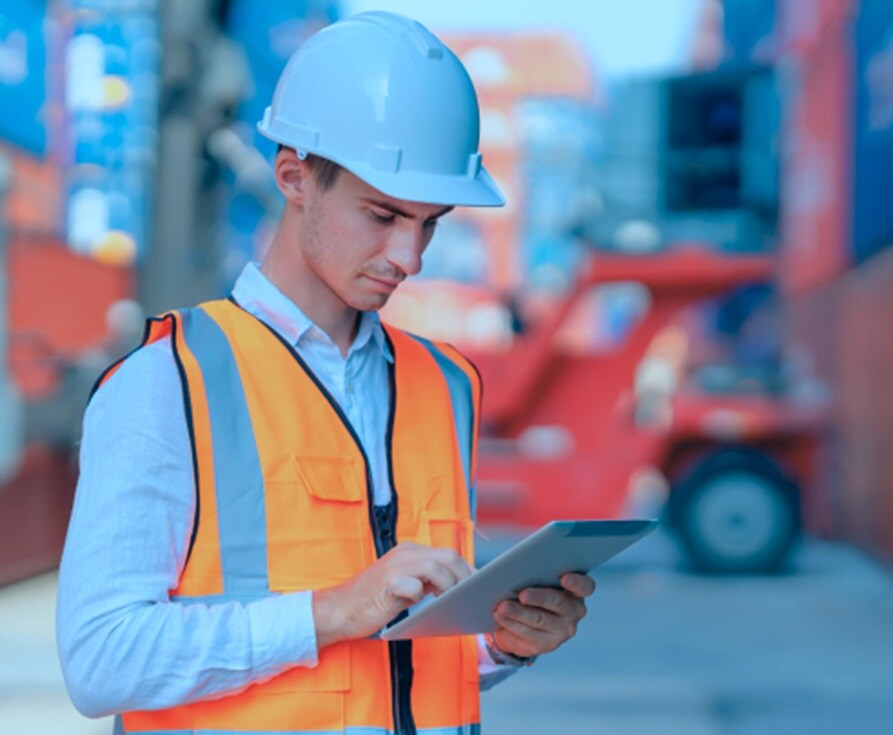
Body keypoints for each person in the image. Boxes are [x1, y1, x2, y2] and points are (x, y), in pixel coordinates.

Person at [56, 12, 594, 734]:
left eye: (430, 222)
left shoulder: (446, 385)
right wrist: (333, 610)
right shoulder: (168, 383)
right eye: (383, 215)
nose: (411, 256)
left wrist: (502, 642)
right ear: (294, 177)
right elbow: (100, 660)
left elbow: (394, 673)